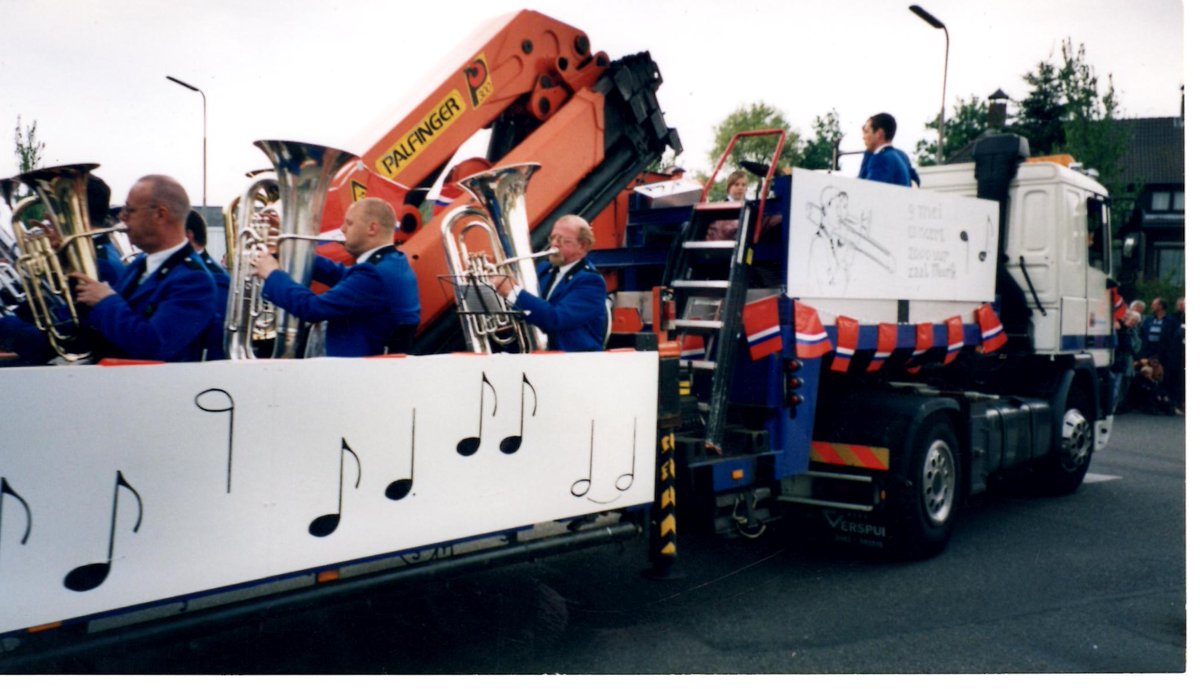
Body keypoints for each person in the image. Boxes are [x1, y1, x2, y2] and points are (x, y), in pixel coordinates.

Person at [71, 174, 218, 362]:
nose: (121, 217)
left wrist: (106, 301)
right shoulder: (141, 263)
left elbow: (154, 346)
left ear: (160, 214)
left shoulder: (194, 281)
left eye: (130, 210)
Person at [251, 197, 420, 357]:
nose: (342, 229)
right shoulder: (393, 263)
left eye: (349, 223)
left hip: (353, 375)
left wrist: (272, 274)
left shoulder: (373, 275)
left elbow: (311, 308)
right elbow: (338, 273)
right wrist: (286, 249)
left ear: (372, 228)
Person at [491, 214, 608, 352]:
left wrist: (512, 292)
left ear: (582, 246)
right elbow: (528, 308)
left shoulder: (591, 282)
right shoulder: (544, 269)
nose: (554, 244)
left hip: (572, 361)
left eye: (563, 240)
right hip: (537, 357)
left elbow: (555, 319)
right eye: (552, 238)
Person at [858, 113, 919, 187]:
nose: (863, 137)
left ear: (879, 134)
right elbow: (916, 181)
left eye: (866, 132)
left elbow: (867, 191)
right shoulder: (901, 156)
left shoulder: (880, 159)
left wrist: (868, 153)